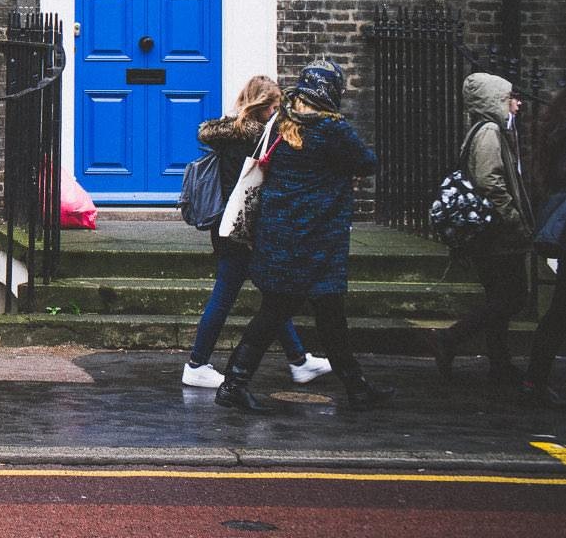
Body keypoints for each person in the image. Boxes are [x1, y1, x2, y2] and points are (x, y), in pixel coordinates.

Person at [215, 60, 391, 412]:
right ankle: (233, 384)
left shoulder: (281, 122)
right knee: (283, 312)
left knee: (323, 313)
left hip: (281, 235)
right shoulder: (331, 130)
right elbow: (366, 162)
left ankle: (356, 387)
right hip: (316, 239)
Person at [182, 75, 332, 388]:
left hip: (230, 227)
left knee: (272, 297)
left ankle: (299, 360)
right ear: (262, 107)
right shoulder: (253, 140)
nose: (277, 112)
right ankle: (196, 364)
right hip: (243, 230)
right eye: (274, 107)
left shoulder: (229, 134)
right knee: (227, 297)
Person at [430, 73, 533, 385]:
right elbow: (490, 181)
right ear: (494, 100)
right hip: (499, 232)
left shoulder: (488, 129)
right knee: (513, 296)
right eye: (511, 98)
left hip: (493, 232)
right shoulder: (489, 131)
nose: (517, 105)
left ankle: (499, 363)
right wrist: (514, 218)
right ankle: (450, 339)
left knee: (498, 297)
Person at [519, 90, 566, 409]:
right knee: (559, 312)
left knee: (559, 312)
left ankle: (534, 379)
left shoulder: (555, 130)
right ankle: (534, 380)